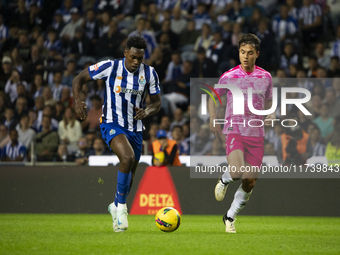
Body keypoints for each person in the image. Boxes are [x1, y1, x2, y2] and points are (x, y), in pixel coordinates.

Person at [72, 36, 161, 232]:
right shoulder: (110, 67)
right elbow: (78, 79)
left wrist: (147, 111)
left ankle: (115, 205)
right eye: (133, 57)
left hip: (136, 129)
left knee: (129, 176)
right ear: (126, 53)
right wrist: (77, 100)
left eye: (140, 58)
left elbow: (157, 103)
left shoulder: (150, 73)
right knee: (127, 157)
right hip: (112, 123)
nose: (136, 62)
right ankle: (121, 211)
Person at [209, 34, 275, 233]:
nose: (245, 56)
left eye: (250, 53)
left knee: (250, 181)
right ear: (239, 52)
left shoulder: (266, 77)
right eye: (242, 52)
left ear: (257, 54)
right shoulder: (229, 76)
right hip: (235, 129)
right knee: (237, 172)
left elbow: (270, 102)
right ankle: (224, 179)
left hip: (256, 134)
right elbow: (214, 97)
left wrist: (271, 113)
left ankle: (230, 216)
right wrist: (213, 117)